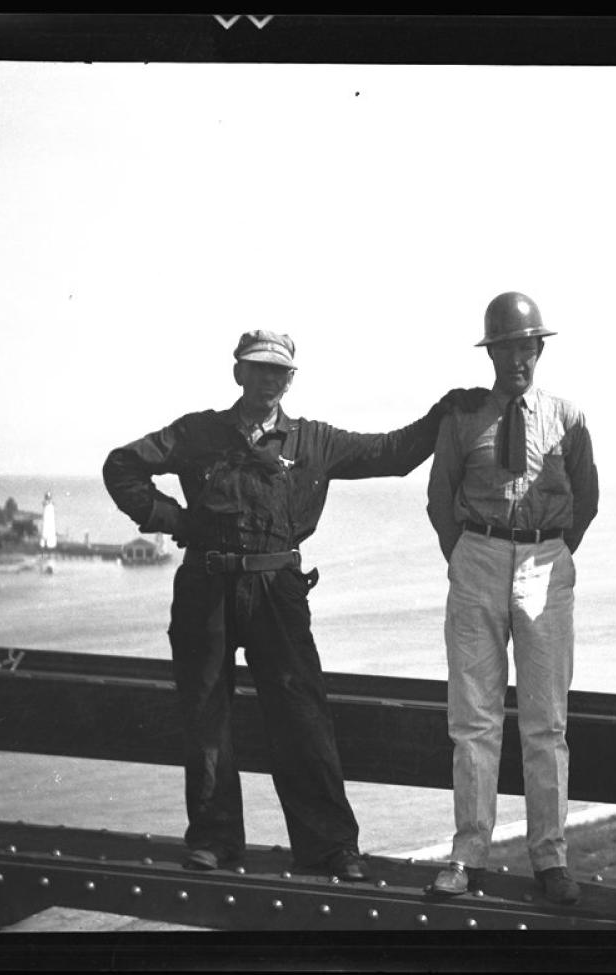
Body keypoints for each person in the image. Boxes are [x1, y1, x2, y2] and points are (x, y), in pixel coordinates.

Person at [103, 330, 485, 881]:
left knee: (302, 718)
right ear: (238, 373)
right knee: (206, 714)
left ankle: (330, 848)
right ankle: (213, 841)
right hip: (204, 587)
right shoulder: (197, 432)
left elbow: (393, 454)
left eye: (279, 371)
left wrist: (443, 413)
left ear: (290, 380)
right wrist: (174, 521)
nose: (268, 379)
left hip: (277, 591)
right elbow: (122, 467)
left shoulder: (314, 442)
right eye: (258, 369)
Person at [424, 292, 599, 907]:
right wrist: (473, 554)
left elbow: (587, 498)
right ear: (491, 352)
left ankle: (550, 857)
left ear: (539, 349)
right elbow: (440, 497)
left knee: (547, 720)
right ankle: (467, 853)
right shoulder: (463, 419)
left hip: (544, 560)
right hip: (477, 555)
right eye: (505, 348)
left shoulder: (568, 418)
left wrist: (547, 550)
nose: (516, 358)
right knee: (473, 718)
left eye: (526, 346)